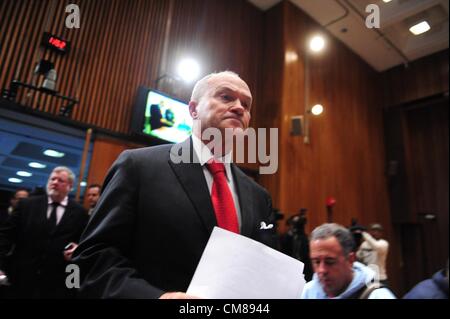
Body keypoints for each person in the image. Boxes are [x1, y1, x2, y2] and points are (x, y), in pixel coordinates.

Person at [72, 71, 274, 299]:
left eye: (246, 105)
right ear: (193, 109)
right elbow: (92, 259)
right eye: (226, 97)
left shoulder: (259, 195)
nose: (239, 108)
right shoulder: (138, 166)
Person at [0, 166, 88, 298]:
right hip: (21, 277)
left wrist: (74, 285)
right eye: (52, 179)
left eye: (60, 180)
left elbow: (83, 243)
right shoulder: (27, 205)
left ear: (70, 185)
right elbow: (5, 237)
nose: (55, 182)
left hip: (57, 282)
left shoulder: (80, 213)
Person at [301, 223, 396, 299]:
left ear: (351, 260)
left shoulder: (378, 296)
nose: (321, 270)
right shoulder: (308, 291)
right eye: (316, 262)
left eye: (330, 262)